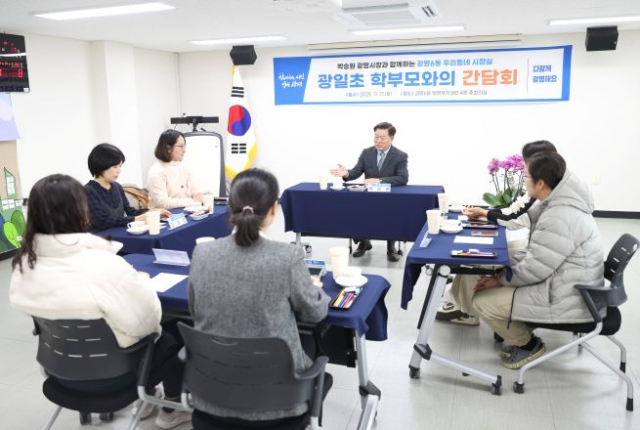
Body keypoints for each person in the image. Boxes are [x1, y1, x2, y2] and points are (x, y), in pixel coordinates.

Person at [9, 174, 190, 429]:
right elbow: (148, 322)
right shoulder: (102, 263)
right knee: (176, 329)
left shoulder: (24, 264)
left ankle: (147, 399)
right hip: (117, 376)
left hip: (59, 370)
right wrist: (140, 284)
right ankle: (171, 409)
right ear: (81, 213)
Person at [188, 168, 331, 424]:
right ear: (274, 208)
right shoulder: (287, 256)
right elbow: (315, 313)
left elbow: (194, 310)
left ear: (230, 207)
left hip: (212, 394)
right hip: (277, 404)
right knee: (312, 341)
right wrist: (316, 289)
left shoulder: (202, 253)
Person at [460, 153, 603, 369]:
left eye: (526, 176)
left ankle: (528, 344)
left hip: (567, 299)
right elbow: (535, 253)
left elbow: (535, 268)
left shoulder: (559, 216)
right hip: (566, 287)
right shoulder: (555, 202)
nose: (524, 181)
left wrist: (500, 279)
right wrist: (501, 271)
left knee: (482, 301)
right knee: (492, 272)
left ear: (541, 183)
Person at [437, 140, 558, 325]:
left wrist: (485, 214)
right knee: (476, 252)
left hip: (541, 258)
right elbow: (514, 210)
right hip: (536, 249)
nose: (523, 168)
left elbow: (515, 219)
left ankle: (468, 311)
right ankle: (456, 301)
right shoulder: (545, 186)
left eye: (526, 164)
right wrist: (484, 214)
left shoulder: (545, 194)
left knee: (477, 257)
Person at [329, 121, 409, 262]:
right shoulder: (367, 153)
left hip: (389, 198)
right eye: (376, 137)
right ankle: (364, 242)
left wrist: (380, 180)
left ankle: (391, 248)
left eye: (382, 138)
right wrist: (346, 173)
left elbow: (403, 178)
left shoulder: (400, 156)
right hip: (368, 197)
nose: (378, 141)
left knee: (393, 213)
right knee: (353, 210)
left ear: (392, 138)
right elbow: (356, 172)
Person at [85, 143, 168, 231]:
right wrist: (135, 219)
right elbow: (101, 220)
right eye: (115, 167)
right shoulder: (88, 191)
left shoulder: (117, 187)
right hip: (100, 237)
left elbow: (130, 211)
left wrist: (151, 212)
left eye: (120, 166)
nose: (119, 170)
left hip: (120, 235)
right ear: (100, 166)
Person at [147, 129, 207, 209]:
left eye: (184, 146)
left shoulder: (184, 168)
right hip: (165, 215)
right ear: (168, 148)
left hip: (186, 211)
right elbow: (162, 203)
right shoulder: (157, 171)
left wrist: (200, 195)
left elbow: (195, 192)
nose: (184, 150)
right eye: (181, 147)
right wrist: (192, 201)